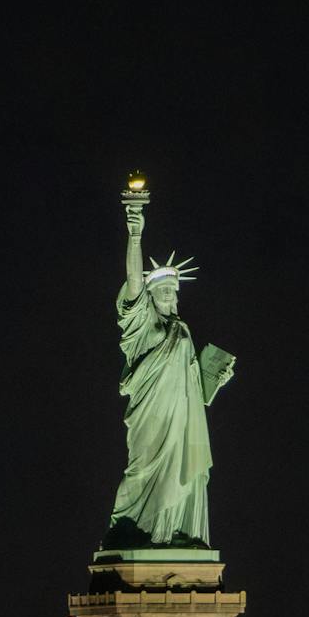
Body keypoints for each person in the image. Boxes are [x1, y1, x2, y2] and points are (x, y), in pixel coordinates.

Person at [103, 201, 234, 549]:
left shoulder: (184, 331)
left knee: (185, 476)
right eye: (162, 291)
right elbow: (133, 281)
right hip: (152, 415)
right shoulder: (143, 325)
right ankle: (133, 529)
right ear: (150, 295)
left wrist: (213, 380)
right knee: (141, 468)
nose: (170, 296)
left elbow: (193, 387)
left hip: (183, 420)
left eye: (172, 291)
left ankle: (177, 532)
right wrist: (135, 234)